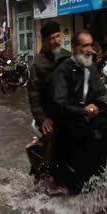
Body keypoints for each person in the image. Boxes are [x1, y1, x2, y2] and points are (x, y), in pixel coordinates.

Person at [49, 30, 107, 193]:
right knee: (92, 137)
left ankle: (97, 177)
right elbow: (59, 103)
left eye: (91, 45)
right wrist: (83, 110)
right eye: (85, 45)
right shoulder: (63, 70)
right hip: (69, 119)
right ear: (75, 48)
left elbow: (101, 92)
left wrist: (99, 103)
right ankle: (68, 181)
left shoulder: (91, 68)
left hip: (90, 118)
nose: (89, 49)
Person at [27, 21, 70, 195]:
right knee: (52, 134)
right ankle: (49, 176)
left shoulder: (68, 57)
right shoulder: (38, 64)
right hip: (50, 114)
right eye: (52, 38)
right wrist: (42, 118)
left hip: (70, 110)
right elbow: (34, 96)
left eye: (58, 36)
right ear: (45, 41)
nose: (56, 40)